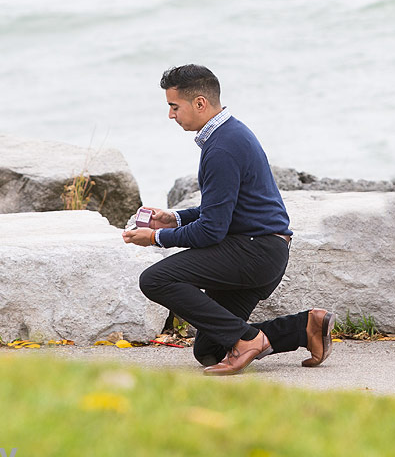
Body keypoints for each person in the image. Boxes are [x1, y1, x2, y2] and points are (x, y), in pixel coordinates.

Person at [123, 64, 333, 376]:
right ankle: (305, 327)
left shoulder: (222, 147)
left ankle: (249, 340)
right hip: (263, 250)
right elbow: (221, 211)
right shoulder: (229, 135)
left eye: (173, 106)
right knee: (210, 350)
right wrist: (174, 219)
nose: (170, 115)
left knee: (155, 279)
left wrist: (156, 239)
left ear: (199, 103)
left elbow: (211, 230)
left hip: (254, 253)